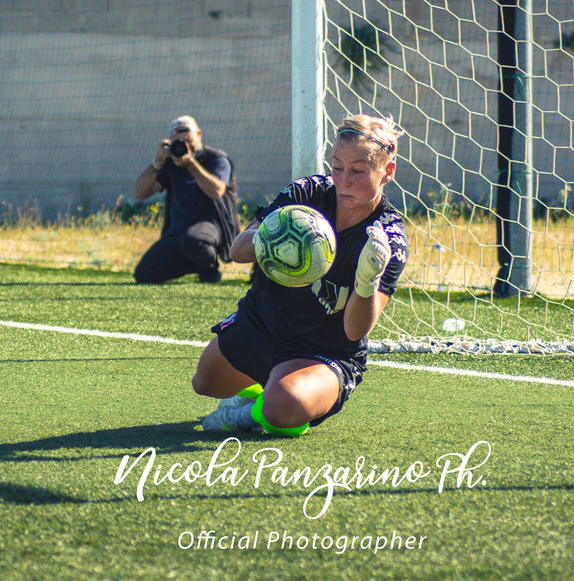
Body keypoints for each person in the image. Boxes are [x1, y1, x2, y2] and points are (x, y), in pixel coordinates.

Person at [191, 114, 408, 437]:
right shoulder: (307, 193)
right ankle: (261, 389)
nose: (343, 180)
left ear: (387, 171)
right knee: (205, 383)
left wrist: (366, 282)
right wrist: (277, 233)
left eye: (358, 171)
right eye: (336, 166)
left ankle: (249, 414)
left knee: (282, 407)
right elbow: (237, 252)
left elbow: (354, 330)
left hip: (323, 351)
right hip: (262, 323)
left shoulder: (388, 239)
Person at [133, 115, 239, 284]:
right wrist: (157, 163)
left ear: (199, 134)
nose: (184, 146)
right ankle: (192, 263)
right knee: (144, 274)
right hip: (179, 228)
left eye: (188, 140)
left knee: (194, 240)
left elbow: (217, 191)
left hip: (212, 224)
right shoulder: (171, 162)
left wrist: (190, 163)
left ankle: (209, 272)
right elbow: (141, 193)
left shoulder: (216, 158)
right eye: (179, 142)